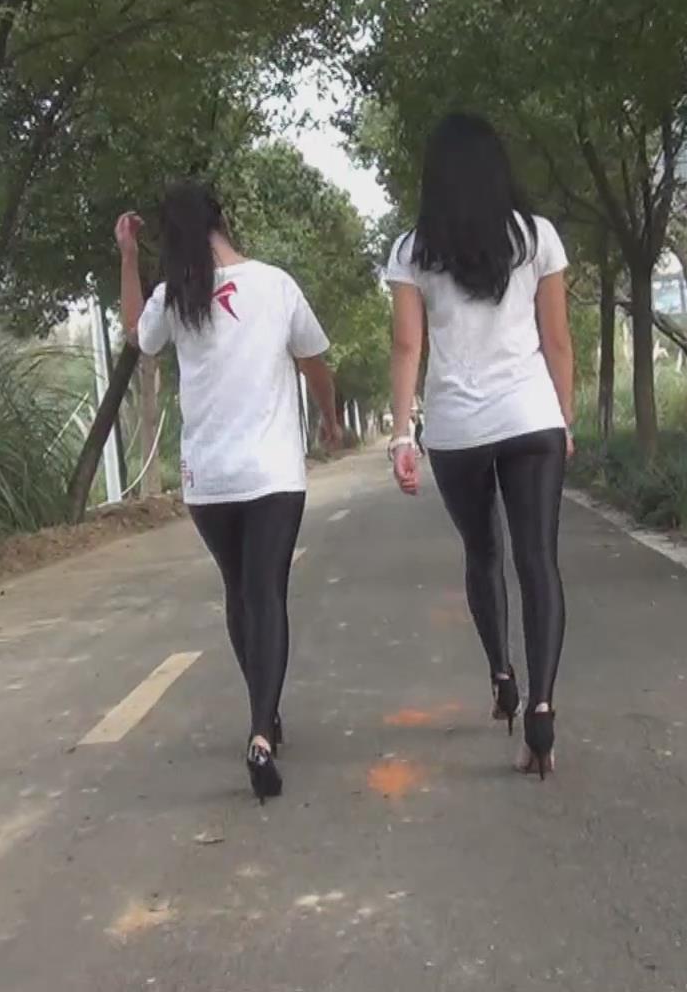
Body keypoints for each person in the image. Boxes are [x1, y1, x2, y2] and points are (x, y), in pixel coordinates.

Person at [118, 181, 343, 803]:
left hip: (209, 481)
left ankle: (264, 716)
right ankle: (261, 731)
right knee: (267, 593)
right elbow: (315, 362)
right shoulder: (275, 284)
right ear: (223, 219)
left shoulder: (177, 296)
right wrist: (330, 419)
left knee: (240, 593)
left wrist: (128, 257)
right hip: (272, 476)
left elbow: (136, 334)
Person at [382, 112, 577, 780]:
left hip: (457, 429)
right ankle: (543, 708)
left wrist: (402, 433)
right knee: (538, 560)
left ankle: (501, 674)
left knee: (483, 552)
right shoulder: (537, 237)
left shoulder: (413, 250)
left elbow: (407, 346)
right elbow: (557, 341)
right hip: (531, 418)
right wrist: (565, 418)